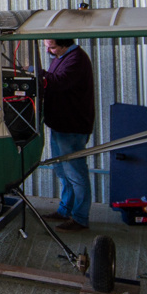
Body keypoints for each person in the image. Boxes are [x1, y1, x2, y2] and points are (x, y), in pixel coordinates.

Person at [41, 38, 95, 231]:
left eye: (52, 47)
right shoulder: (62, 57)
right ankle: (65, 209)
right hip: (60, 124)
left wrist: (36, 73)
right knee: (63, 172)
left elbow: (59, 82)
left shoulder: (76, 59)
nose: (49, 50)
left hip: (72, 126)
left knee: (76, 173)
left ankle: (80, 218)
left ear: (64, 44)